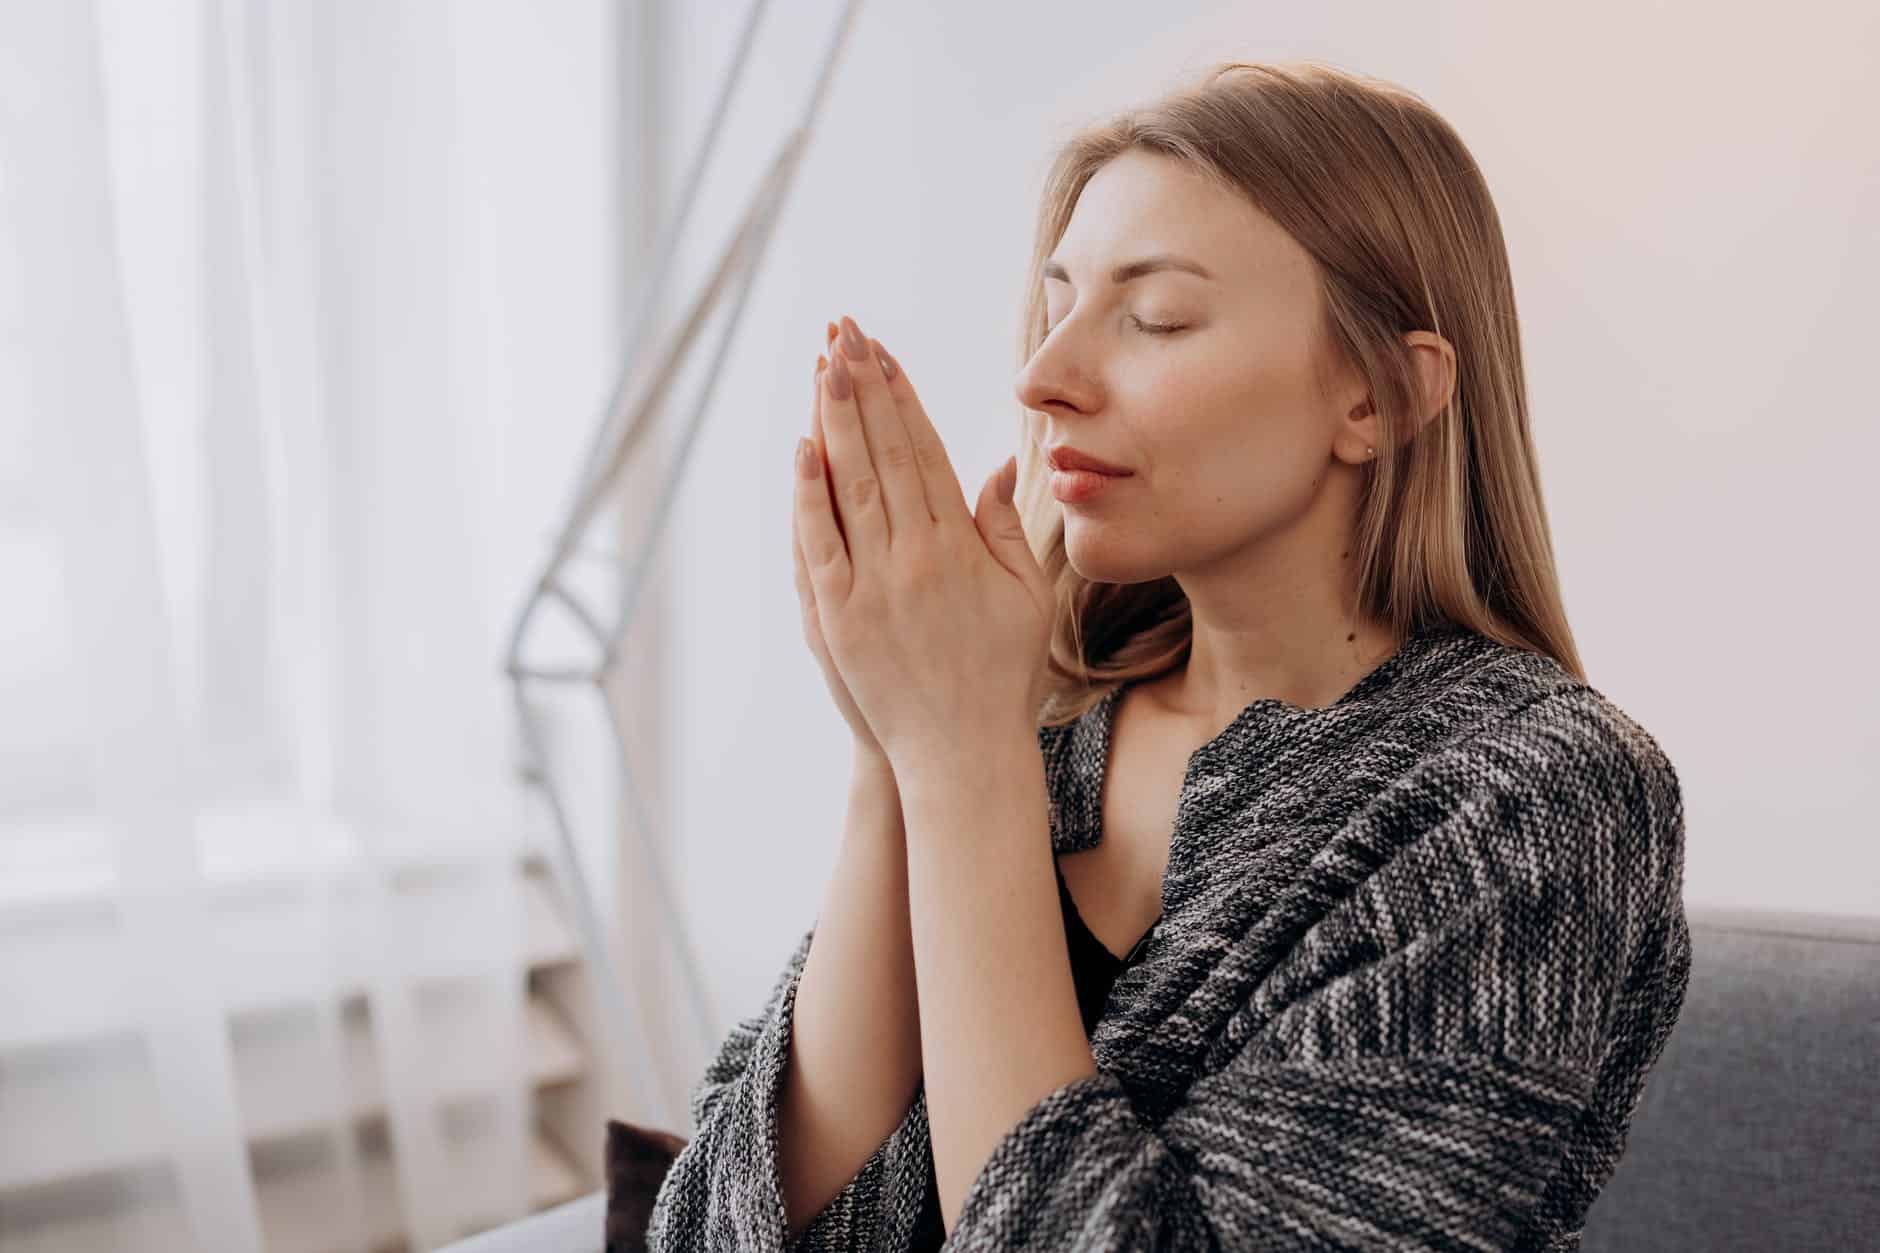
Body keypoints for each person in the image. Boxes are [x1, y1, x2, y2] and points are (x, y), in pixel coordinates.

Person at [645, 60, 1690, 1252]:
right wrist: (894, 748)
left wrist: (961, 760)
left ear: (1380, 395)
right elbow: (712, 1231)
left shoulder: (1534, 796)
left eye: (1154, 319)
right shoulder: (1039, 717)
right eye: (1055, 309)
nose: (1042, 379)